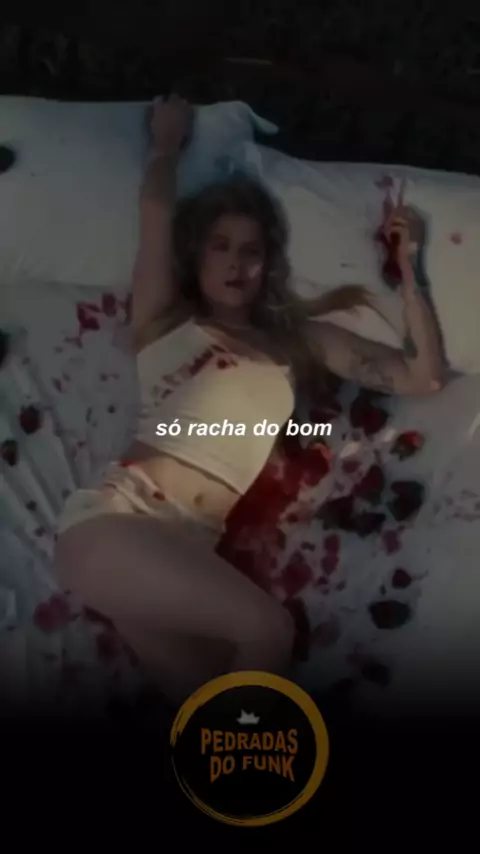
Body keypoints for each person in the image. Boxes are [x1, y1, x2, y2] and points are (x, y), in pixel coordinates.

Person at [53, 94, 444, 707]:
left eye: (251, 251)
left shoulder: (296, 342)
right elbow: (155, 213)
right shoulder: (163, 323)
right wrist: (166, 145)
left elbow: (424, 377)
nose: (236, 263)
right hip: (117, 523)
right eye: (221, 246)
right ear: (197, 257)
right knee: (267, 632)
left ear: (267, 265)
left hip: (186, 554)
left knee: (210, 710)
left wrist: (409, 266)